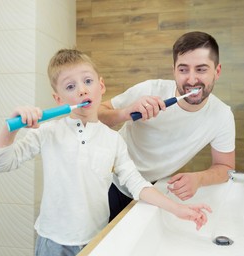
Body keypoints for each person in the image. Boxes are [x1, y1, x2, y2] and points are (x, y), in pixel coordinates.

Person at [0, 49, 212, 256]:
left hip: (96, 239)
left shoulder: (113, 140)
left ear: (101, 86)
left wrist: (178, 209)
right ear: (58, 99)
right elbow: (0, 164)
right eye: (70, 87)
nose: (82, 90)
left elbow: (137, 184)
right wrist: (10, 128)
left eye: (87, 81)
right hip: (52, 242)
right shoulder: (48, 133)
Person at [98, 31, 235, 221]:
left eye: (201, 69)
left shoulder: (222, 115)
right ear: (174, 71)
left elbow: (226, 167)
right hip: (108, 181)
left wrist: (199, 179)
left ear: (217, 71)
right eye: (183, 69)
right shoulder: (149, 89)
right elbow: (95, 114)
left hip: (150, 190)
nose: (192, 79)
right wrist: (126, 112)